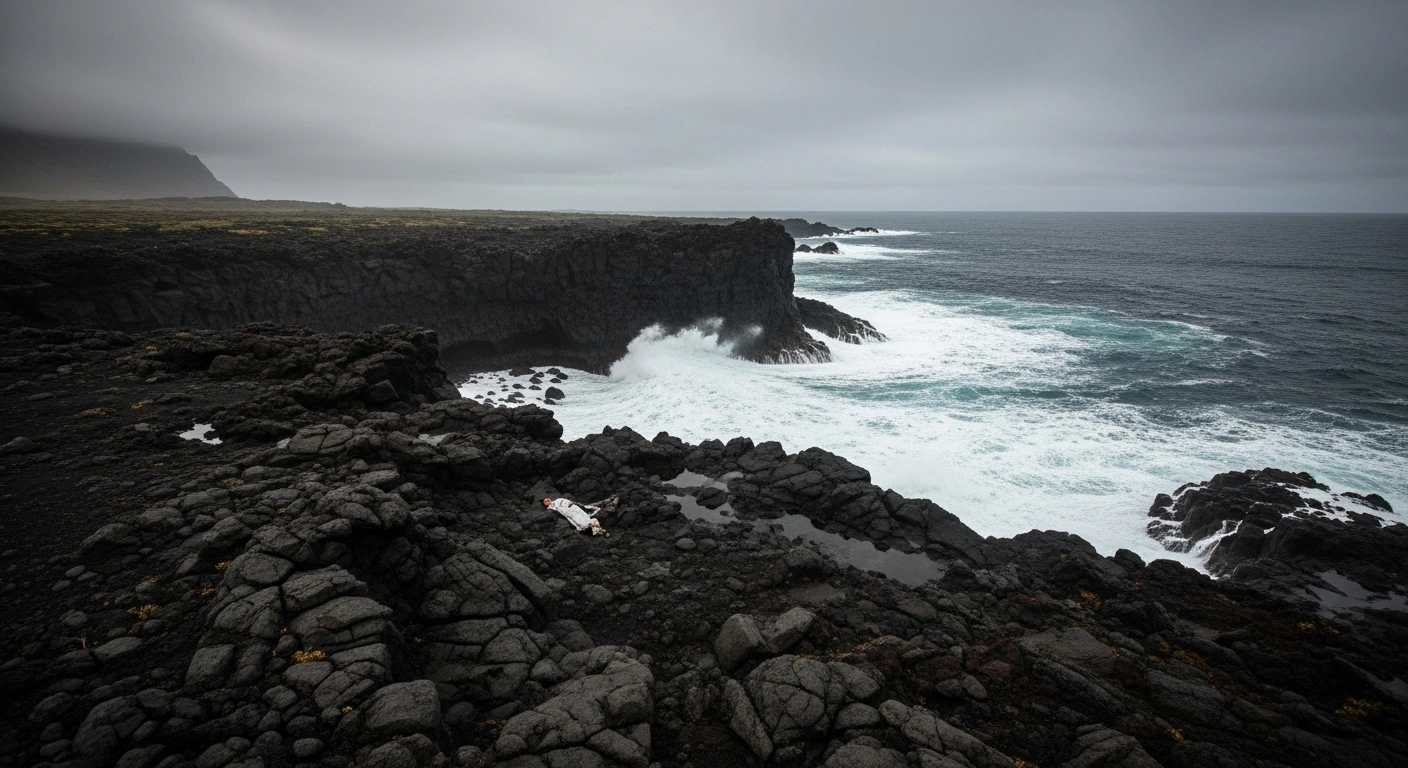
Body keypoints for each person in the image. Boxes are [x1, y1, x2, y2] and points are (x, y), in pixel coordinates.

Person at [543, 495, 616, 536]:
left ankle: (611, 501)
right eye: (545, 501)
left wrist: (571, 503)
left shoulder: (558, 500)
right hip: (570, 514)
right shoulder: (550, 508)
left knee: (589, 511)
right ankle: (602, 531)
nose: (547, 501)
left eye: (547, 499)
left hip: (574, 508)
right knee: (583, 523)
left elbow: (567, 501)